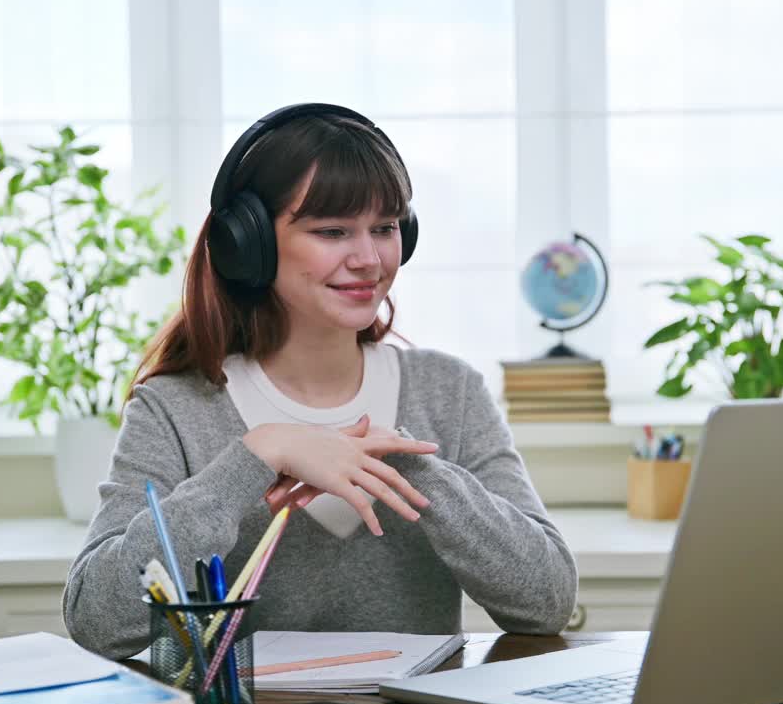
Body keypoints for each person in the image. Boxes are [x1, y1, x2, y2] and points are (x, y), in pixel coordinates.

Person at [63, 103, 578, 660]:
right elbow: (97, 618)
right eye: (332, 231)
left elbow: (547, 602)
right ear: (250, 245)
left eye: (384, 228)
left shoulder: (448, 391)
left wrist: (413, 469)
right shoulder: (175, 408)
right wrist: (257, 455)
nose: (368, 258)